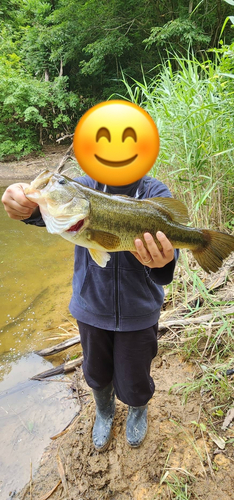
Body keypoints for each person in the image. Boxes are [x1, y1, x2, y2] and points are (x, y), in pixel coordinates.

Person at [2, 172, 179, 451]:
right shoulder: (83, 186)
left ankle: (137, 408)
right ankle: (104, 410)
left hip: (140, 312)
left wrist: (164, 262)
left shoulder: (155, 191)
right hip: (90, 309)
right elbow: (49, 212)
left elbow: (167, 258)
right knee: (95, 370)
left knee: (136, 375)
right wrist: (24, 203)